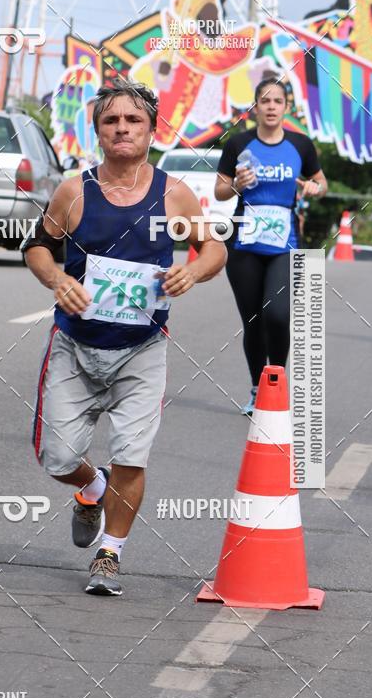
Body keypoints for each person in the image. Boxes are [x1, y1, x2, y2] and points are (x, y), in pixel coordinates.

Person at [23, 79, 226, 596]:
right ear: (97, 131)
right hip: (74, 344)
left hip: (143, 348)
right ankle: (93, 486)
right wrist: (58, 280)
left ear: (150, 130)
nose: (122, 128)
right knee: (58, 457)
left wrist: (193, 273)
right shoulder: (75, 190)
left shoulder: (174, 194)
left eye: (132, 120)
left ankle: (110, 553)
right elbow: (38, 248)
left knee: (132, 455)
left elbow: (213, 250)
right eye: (111, 120)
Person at [214, 77, 327, 415]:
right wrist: (236, 184)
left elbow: (321, 182)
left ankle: (276, 382)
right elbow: (219, 191)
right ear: (256, 107)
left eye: (278, 101)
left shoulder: (301, 145)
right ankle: (255, 389)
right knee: (253, 320)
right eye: (265, 101)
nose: (272, 107)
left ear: (286, 107)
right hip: (243, 244)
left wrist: (312, 188)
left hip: (286, 244)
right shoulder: (238, 143)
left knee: (277, 316)